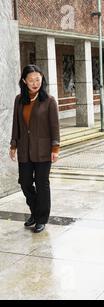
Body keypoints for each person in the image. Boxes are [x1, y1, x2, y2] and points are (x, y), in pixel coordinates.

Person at [9, 64, 60, 233]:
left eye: (38, 79)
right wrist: (13, 144)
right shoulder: (19, 99)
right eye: (31, 80)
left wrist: (55, 148)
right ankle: (35, 211)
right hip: (24, 149)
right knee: (24, 183)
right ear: (24, 81)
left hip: (44, 150)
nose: (35, 83)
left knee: (41, 183)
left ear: (42, 79)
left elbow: (55, 126)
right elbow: (16, 124)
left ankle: (41, 218)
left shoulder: (49, 100)